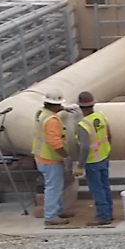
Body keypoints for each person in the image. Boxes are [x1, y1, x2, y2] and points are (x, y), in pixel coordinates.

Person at [34, 92, 79, 226]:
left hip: (41, 156)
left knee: (56, 186)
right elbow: (55, 142)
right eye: (59, 105)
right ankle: (51, 216)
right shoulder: (52, 121)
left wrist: (64, 109)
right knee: (53, 187)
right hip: (50, 158)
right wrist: (65, 156)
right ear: (54, 105)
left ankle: (57, 211)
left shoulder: (40, 113)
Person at [76, 91, 113, 227]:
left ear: (80, 107)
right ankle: (108, 212)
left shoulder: (83, 124)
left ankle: (103, 216)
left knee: (97, 189)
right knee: (105, 186)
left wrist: (80, 164)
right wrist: (108, 151)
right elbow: (109, 135)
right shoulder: (100, 117)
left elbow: (85, 147)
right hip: (104, 157)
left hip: (92, 161)